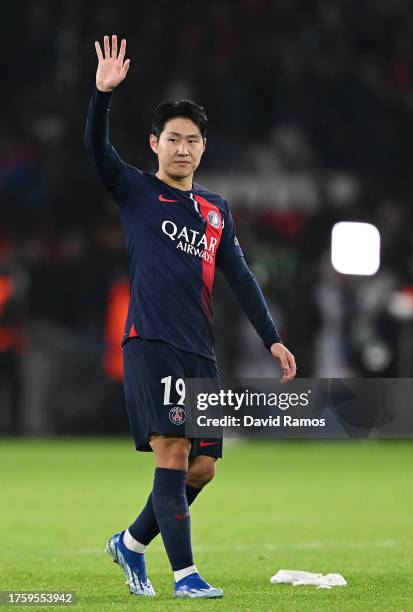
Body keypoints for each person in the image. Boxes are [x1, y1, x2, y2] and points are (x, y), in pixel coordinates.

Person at [84, 34, 297, 600]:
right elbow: (95, 150)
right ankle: (185, 577)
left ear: (204, 149)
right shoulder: (134, 190)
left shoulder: (215, 210)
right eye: (173, 139)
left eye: (192, 140)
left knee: (201, 470)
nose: (182, 148)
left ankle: (130, 544)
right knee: (174, 452)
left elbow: (241, 276)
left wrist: (272, 339)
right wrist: (102, 95)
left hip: (199, 351)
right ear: (154, 144)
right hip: (150, 341)